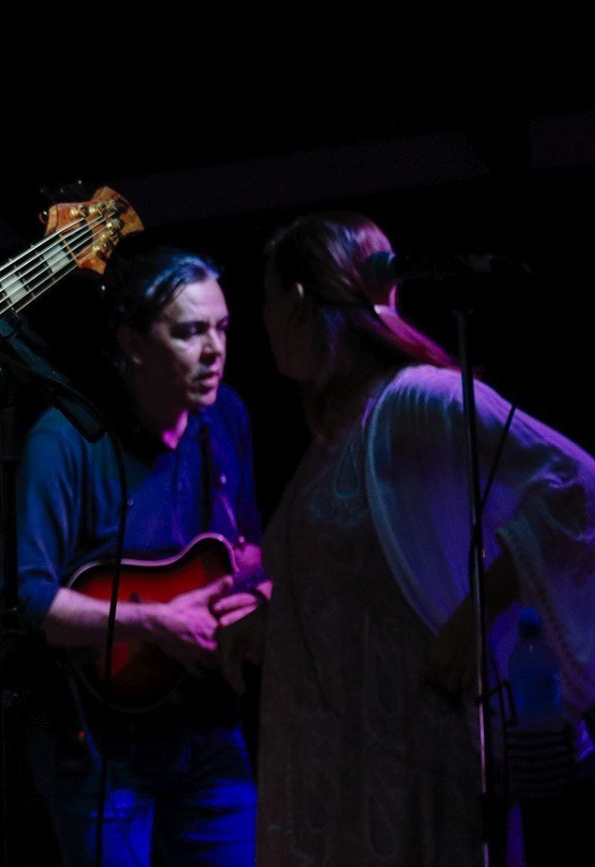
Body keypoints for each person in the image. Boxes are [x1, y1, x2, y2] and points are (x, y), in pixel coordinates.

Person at [220, 211, 594, 864]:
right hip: (327, 771)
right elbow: (361, 571)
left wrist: (477, 611)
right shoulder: (335, 431)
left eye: (267, 300)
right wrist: (273, 618)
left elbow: (577, 483)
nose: (263, 320)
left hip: (403, 760)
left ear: (298, 302)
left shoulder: (419, 400)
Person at [16, 246, 264, 865]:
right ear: (132, 344)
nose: (214, 350)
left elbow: (249, 549)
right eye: (190, 332)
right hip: (100, 743)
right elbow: (29, 599)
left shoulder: (227, 417)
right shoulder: (66, 439)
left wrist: (259, 595)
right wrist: (154, 622)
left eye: (222, 328)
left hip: (208, 725)